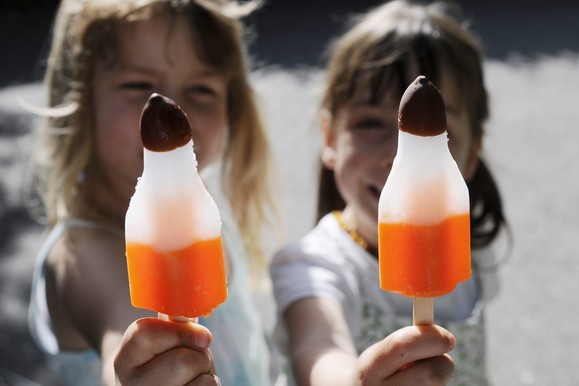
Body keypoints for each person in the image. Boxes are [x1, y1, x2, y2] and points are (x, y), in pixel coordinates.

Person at [26, 0, 278, 385]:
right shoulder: (83, 256)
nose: (172, 110)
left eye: (201, 88)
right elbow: (120, 333)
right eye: (137, 85)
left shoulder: (198, 207)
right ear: (78, 102)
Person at [269, 0, 508, 385]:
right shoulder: (315, 268)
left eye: (436, 133)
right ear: (329, 136)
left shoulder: (472, 251)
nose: (398, 156)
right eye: (369, 123)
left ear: (473, 152)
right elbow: (318, 348)